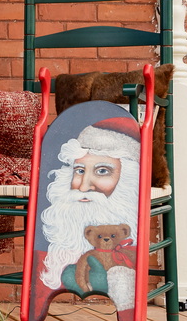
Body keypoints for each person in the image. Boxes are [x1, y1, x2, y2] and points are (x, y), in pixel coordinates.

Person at [38, 117, 141, 311]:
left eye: (102, 171)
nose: (84, 187)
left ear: (126, 178)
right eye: (79, 170)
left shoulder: (128, 251)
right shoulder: (49, 252)